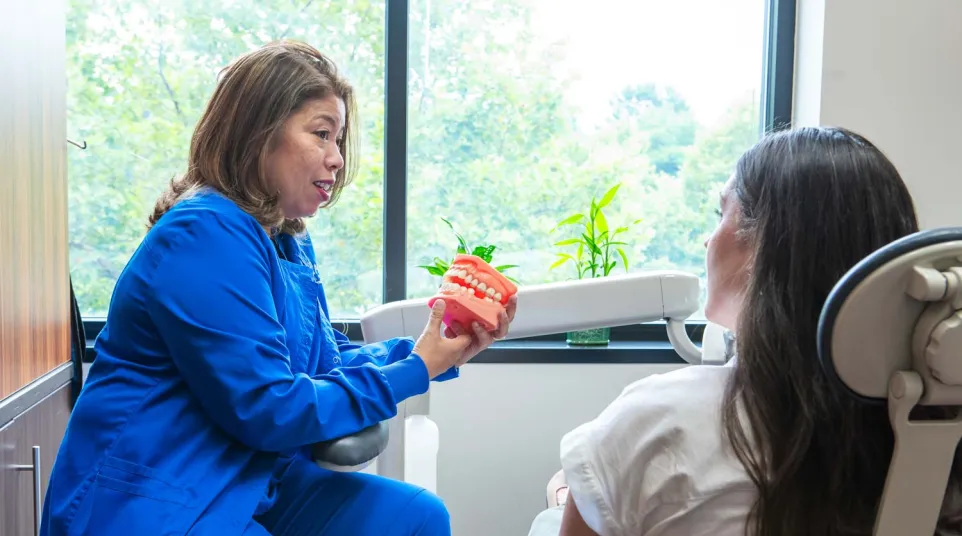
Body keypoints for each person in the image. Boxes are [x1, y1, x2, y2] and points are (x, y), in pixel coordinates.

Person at [41, 40, 516, 536]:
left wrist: (440, 350)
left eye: (340, 139)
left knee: (417, 517)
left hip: (244, 480)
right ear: (258, 133)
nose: (336, 158)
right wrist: (417, 370)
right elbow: (269, 408)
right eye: (321, 134)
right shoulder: (203, 235)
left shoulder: (285, 240)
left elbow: (325, 368)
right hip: (162, 499)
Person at [538, 126, 962, 536]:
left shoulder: (656, 420)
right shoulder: (938, 436)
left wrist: (570, 497)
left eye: (721, 213)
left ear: (764, 244)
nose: (708, 241)